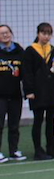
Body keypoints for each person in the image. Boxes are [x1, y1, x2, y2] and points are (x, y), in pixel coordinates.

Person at [23, 22, 54, 160]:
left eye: (49, 34)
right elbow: (27, 72)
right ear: (38, 34)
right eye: (44, 33)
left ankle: (50, 148)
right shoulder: (30, 50)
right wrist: (29, 91)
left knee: (51, 121)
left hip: (52, 90)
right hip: (37, 91)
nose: (46, 36)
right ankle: (38, 150)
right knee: (38, 121)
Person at [0, 25, 26, 162]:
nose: (5, 35)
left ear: (11, 33)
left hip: (15, 95)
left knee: (14, 125)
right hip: (0, 96)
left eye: (7, 32)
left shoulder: (19, 51)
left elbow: (25, 72)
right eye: (1, 33)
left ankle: (14, 151)